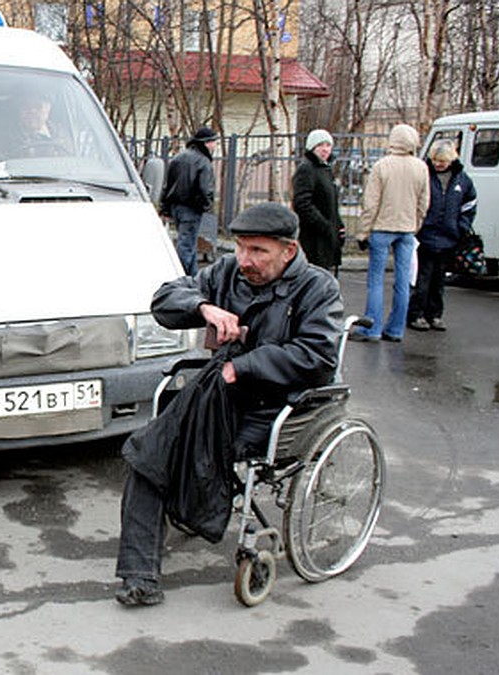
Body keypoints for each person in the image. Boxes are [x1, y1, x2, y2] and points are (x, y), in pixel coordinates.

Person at [114, 202, 343, 606]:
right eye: (240, 248)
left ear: (288, 251)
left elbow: (317, 357)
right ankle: (139, 575)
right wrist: (204, 307)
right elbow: (165, 299)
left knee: (187, 452)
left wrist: (247, 365)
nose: (245, 260)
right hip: (218, 392)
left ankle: (193, 510)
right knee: (149, 453)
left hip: (276, 406)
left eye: (258, 251)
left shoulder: (317, 288)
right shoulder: (226, 273)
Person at [351, 123, 429, 343]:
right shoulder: (421, 167)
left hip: (382, 228)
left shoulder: (382, 166)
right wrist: (416, 225)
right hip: (406, 229)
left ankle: (371, 329)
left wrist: (363, 233)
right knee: (403, 282)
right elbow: (424, 202)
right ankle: (396, 329)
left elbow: (371, 203)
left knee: (375, 281)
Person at [407, 140, 477, 331]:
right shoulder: (424, 175)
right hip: (426, 236)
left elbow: (469, 206)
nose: (438, 164)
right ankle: (416, 313)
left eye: (442, 161)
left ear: (451, 159)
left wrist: (461, 228)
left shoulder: (462, 180)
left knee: (439, 281)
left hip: (449, 237)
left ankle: (435, 314)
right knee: (422, 279)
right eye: (436, 160)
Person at [161, 127, 219, 276]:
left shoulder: (179, 158)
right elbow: (205, 188)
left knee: (188, 243)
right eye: (213, 142)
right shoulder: (203, 162)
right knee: (186, 245)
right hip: (192, 208)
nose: (215, 145)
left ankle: (192, 278)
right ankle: (181, 278)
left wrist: (165, 208)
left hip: (176, 206)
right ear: (206, 143)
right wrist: (207, 205)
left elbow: (167, 185)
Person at [292, 129, 345, 275]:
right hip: (314, 237)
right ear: (312, 147)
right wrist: (324, 225)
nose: (325, 149)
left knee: (326, 278)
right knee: (315, 278)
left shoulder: (325, 169)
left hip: (328, 235)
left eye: (328, 145)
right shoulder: (307, 169)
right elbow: (302, 203)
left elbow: (331, 204)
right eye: (320, 145)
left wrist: (339, 225)